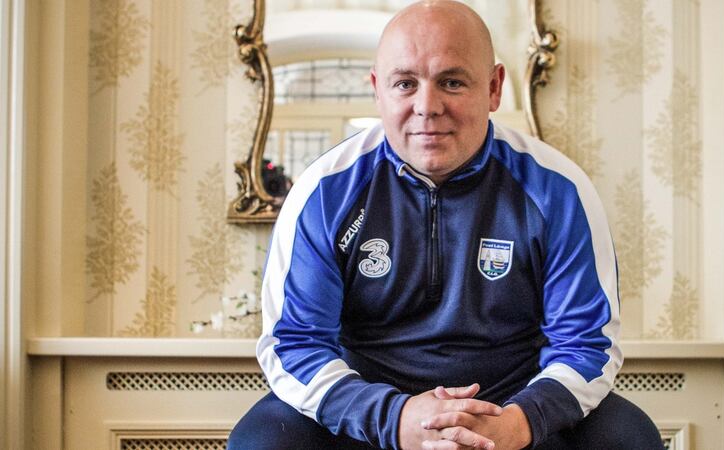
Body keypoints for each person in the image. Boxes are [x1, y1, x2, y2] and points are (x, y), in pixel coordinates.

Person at [228, 1, 662, 449]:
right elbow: (295, 344)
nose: (427, 107)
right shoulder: (324, 191)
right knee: (262, 440)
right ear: (378, 90)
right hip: (371, 405)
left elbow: (586, 344)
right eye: (405, 84)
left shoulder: (559, 189)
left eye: (452, 82)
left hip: (511, 404)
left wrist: (517, 423)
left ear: (493, 88)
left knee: (627, 437)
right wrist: (394, 418)